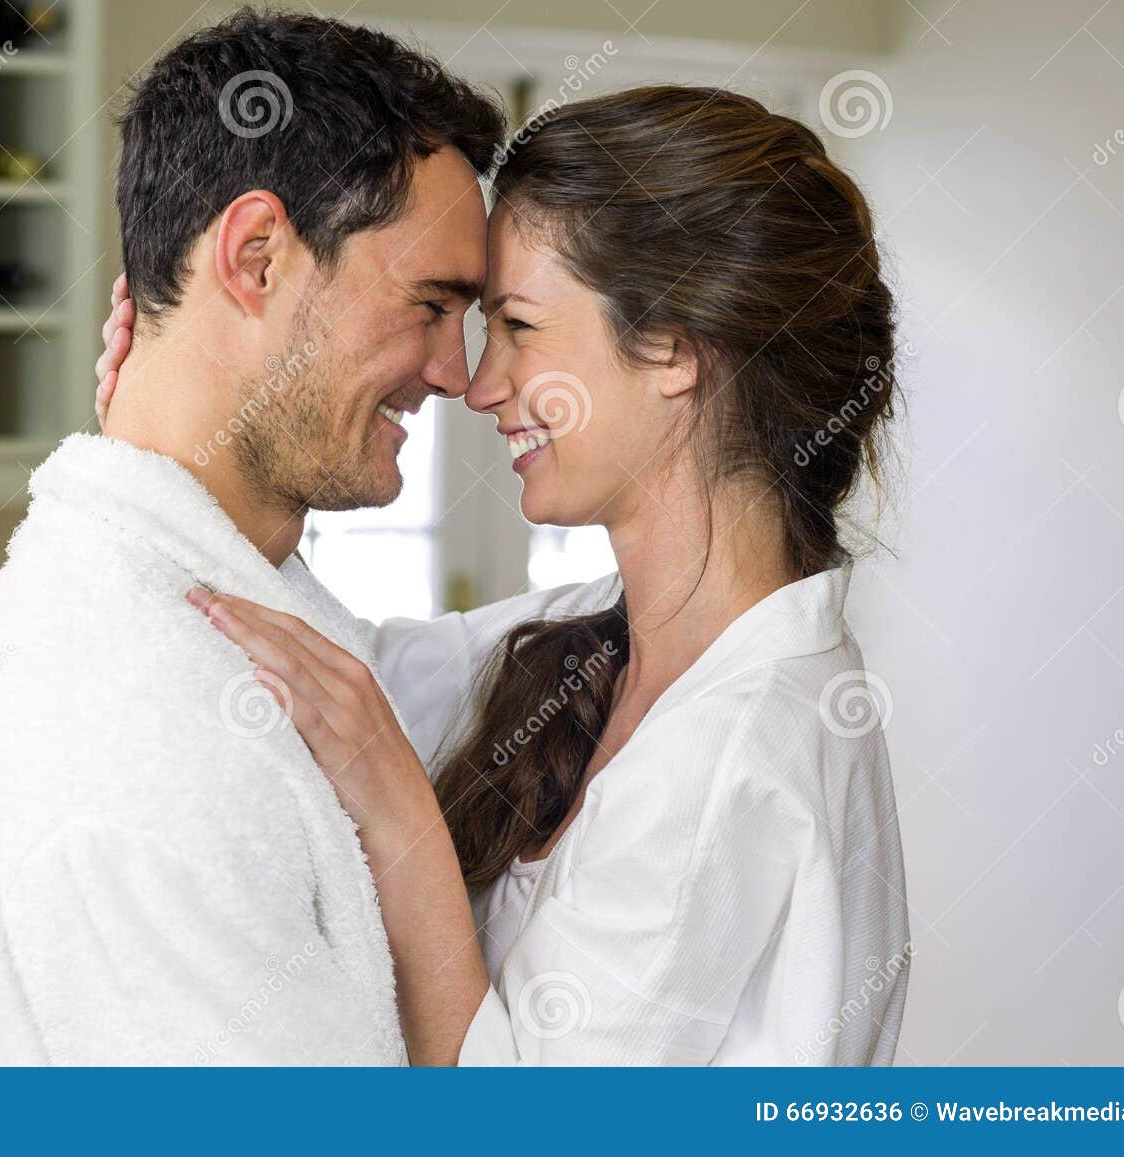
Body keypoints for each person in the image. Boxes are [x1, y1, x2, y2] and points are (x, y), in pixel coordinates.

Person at [96, 85, 911, 1065]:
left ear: (673, 351)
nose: (478, 384)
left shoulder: (735, 751)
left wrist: (397, 811)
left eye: (517, 324)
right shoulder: (603, 639)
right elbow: (345, 678)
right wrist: (169, 453)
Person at [0, 8, 504, 1064]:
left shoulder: (209, 612)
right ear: (256, 255)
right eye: (431, 304)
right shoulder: (137, 741)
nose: (457, 370)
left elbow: (459, 667)